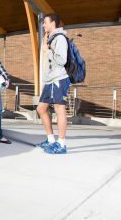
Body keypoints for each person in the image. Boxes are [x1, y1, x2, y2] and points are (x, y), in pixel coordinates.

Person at [36, 13, 70, 154]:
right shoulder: (50, 38)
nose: (43, 25)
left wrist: (48, 51)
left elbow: (62, 60)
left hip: (59, 79)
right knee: (41, 109)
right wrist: (45, 81)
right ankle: (50, 140)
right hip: (50, 80)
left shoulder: (60, 38)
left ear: (53, 23)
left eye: (45, 22)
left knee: (59, 109)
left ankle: (61, 144)